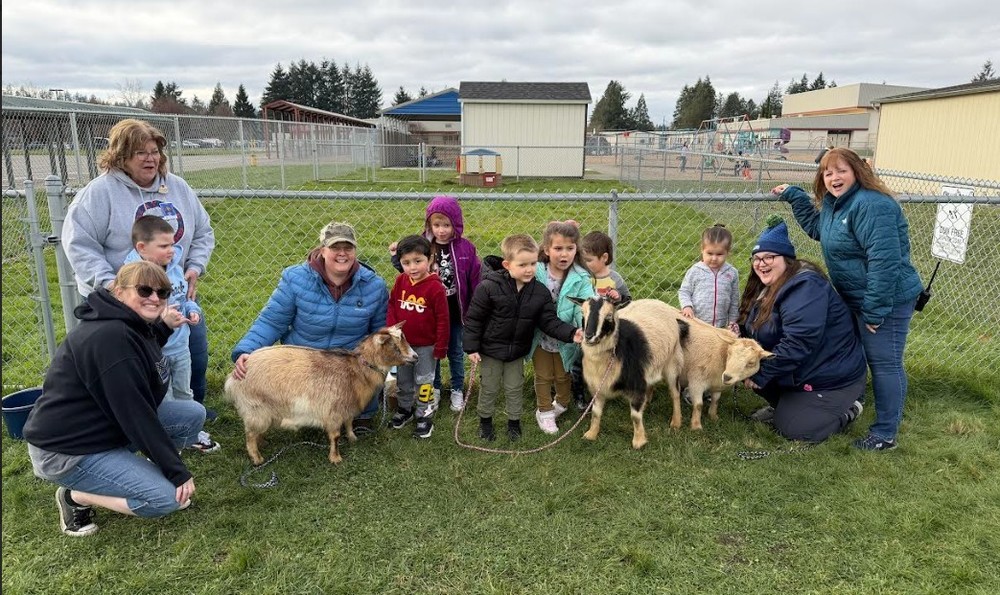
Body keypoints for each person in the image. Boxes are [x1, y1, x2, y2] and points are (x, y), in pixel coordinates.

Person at [23, 261, 206, 536]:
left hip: (104, 428)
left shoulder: (127, 323)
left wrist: (164, 328)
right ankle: (76, 497)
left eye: (163, 292)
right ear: (119, 292)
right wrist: (175, 471)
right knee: (164, 498)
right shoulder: (111, 339)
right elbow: (136, 414)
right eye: (144, 290)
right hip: (67, 451)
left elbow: (140, 349)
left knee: (191, 415)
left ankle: (133, 472)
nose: (155, 298)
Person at [61, 118, 216, 417]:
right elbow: (79, 245)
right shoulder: (99, 193)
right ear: (121, 157)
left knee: (192, 347)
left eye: (155, 151)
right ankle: (142, 415)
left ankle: (192, 407)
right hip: (122, 298)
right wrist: (112, 286)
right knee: (137, 361)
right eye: (140, 153)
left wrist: (194, 267)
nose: (151, 158)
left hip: (172, 294)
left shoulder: (178, 188)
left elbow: (203, 232)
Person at [774, 148, 922, 451]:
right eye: (827, 172)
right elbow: (820, 230)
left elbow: (884, 261)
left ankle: (885, 433)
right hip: (857, 297)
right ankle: (853, 403)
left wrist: (874, 311)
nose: (833, 177)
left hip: (886, 300)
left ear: (857, 170)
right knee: (854, 356)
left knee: (884, 363)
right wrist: (796, 196)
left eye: (840, 170)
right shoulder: (836, 204)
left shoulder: (872, 205)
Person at [232, 221, 390, 428]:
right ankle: (302, 409)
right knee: (302, 418)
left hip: (348, 367)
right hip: (305, 364)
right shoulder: (295, 279)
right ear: (323, 250)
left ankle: (362, 412)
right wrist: (246, 350)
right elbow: (271, 321)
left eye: (348, 248)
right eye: (335, 247)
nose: (342, 253)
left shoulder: (374, 286)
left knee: (357, 413)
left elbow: (379, 335)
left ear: (355, 251)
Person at [737, 216, 867, 444]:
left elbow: (799, 342)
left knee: (796, 430)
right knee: (744, 364)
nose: (761, 263)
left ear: (787, 259)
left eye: (769, 257)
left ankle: (851, 406)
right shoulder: (767, 286)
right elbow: (753, 328)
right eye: (756, 258)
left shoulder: (806, 287)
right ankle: (787, 406)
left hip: (830, 377)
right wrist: (736, 334)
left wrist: (762, 372)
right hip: (802, 371)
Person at [463, 234, 584, 442]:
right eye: (522, 265)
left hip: (517, 352)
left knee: (514, 388)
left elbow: (549, 321)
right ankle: (485, 421)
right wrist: (471, 347)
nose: (529, 269)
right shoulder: (488, 287)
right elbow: (474, 319)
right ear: (507, 265)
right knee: (489, 387)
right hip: (490, 351)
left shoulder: (539, 292)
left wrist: (572, 333)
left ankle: (514, 423)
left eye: (533, 263)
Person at [124, 216, 218, 452]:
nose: (173, 251)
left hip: (180, 346)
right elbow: (134, 319)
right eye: (164, 246)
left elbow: (185, 299)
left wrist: (192, 311)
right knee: (162, 399)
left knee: (184, 391)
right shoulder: (133, 277)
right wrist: (162, 319)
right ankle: (163, 442)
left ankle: (190, 433)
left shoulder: (175, 270)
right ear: (142, 248)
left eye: (174, 244)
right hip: (156, 353)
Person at [389, 195, 481, 413]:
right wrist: (395, 255)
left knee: (456, 352)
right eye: (436, 225)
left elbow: (475, 278)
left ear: (455, 224)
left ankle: (457, 388)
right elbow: (409, 270)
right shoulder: (423, 245)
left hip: (456, 310)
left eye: (446, 225)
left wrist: (476, 306)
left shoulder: (466, 248)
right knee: (434, 355)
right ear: (429, 224)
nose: (441, 230)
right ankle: (435, 388)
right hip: (429, 311)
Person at [531, 221, 595, 435]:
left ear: (577, 250)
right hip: (539, 337)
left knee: (562, 375)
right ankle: (545, 411)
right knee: (543, 376)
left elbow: (584, 305)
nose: (564, 254)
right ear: (547, 250)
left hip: (569, 338)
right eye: (558, 248)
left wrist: (584, 327)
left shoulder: (581, 277)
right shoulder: (536, 271)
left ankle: (562, 403)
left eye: (570, 248)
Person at [386, 235, 450, 439]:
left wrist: (440, 346)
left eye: (418, 261)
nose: (412, 267)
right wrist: (392, 329)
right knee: (403, 380)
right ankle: (405, 409)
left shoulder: (435, 288)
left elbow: (443, 319)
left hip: (426, 346)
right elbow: (393, 305)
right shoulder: (400, 280)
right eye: (406, 263)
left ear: (429, 259)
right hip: (403, 345)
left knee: (424, 381)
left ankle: (424, 415)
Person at [575, 230, 632, 409]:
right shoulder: (583, 278)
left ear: (604, 257)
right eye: (583, 260)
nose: (585, 264)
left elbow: (629, 301)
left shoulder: (615, 279)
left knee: (609, 362)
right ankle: (579, 394)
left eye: (589, 260)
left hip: (607, 335)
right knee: (579, 362)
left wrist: (618, 297)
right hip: (586, 331)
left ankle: (610, 388)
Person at [678, 223, 740, 334]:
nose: (714, 258)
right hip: (697, 323)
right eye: (710, 253)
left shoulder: (732, 273)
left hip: (721, 327)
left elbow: (734, 300)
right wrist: (686, 306)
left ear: (728, 252)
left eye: (720, 254)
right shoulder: (695, 271)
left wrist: (732, 321)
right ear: (702, 250)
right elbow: (684, 291)